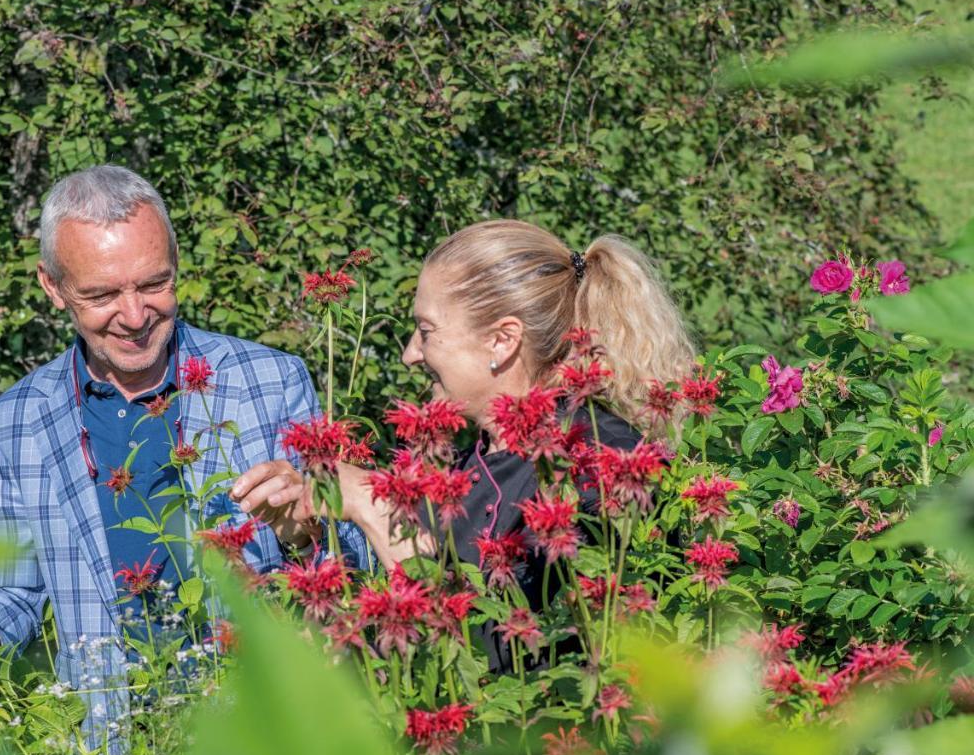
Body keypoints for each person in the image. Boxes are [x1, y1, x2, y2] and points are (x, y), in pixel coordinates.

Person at [0, 165, 369, 755]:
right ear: (53, 286)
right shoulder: (14, 424)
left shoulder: (271, 382)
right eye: (102, 294)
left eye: (154, 284)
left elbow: (356, 561)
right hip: (110, 742)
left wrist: (307, 530)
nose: (136, 315)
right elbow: (16, 591)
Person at [234, 219, 696, 671]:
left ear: (502, 340)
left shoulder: (601, 462)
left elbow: (531, 659)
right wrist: (308, 540)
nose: (410, 353)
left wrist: (377, 510)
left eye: (427, 331)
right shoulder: (464, 465)